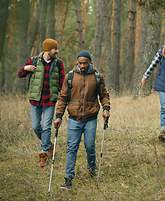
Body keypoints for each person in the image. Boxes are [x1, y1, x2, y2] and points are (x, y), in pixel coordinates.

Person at [54, 50, 110, 190]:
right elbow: (62, 98)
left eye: (85, 63)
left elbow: (104, 95)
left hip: (91, 118)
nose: (83, 65)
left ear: (90, 62)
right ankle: (68, 178)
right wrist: (58, 116)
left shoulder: (97, 76)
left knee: (90, 146)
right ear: (77, 62)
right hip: (74, 118)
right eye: (80, 63)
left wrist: (106, 108)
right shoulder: (70, 76)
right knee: (72, 147)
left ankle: (92, 169)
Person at [18, 39, 65, 168]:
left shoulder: (58, 63)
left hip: (49, 101)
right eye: (55, 49)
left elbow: (62, 82)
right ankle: (49, 145)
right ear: (47, 50)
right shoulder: (34, 61)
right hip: (35, 100)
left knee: (46, 127)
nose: (57, 51)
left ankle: (44, 154)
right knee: (35, 127)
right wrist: (26, 68)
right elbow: (20, 74)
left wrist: (63, 97)